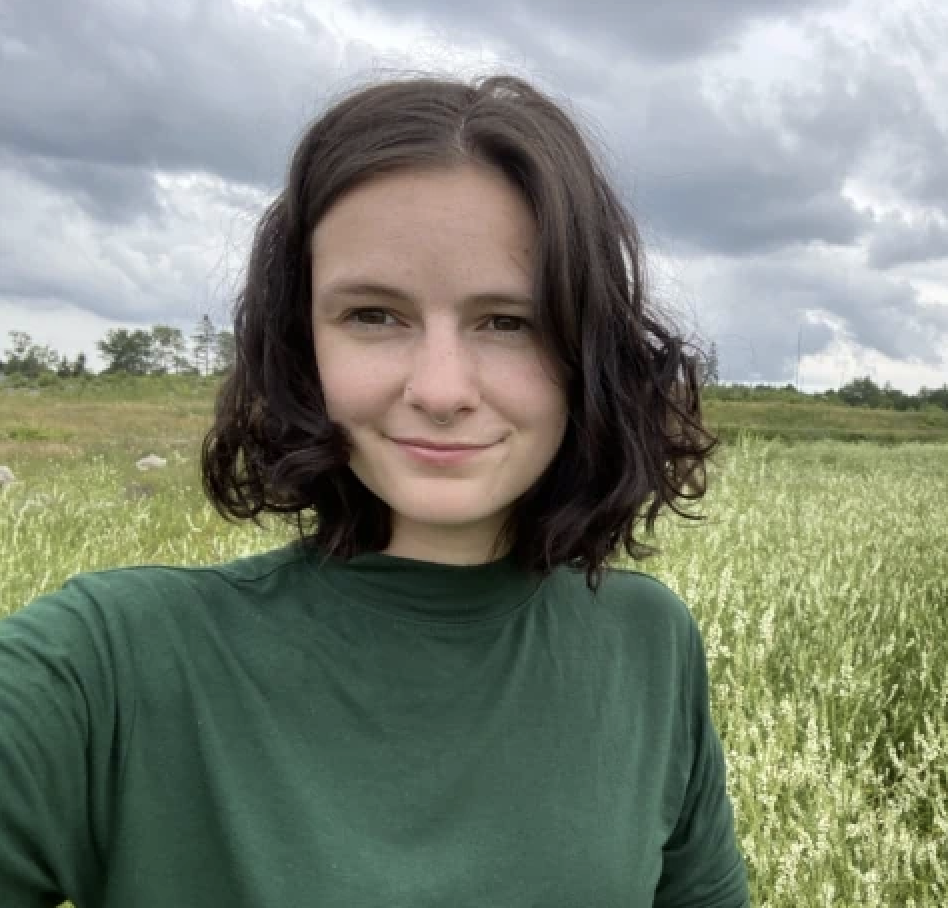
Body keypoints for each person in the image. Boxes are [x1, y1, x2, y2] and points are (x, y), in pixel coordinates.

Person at [0, 73, 749, 907]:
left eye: (509, 322)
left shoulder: (648, 645)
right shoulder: (107, 664)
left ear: (590, 353)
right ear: (302, 343)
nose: (441, 390)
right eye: (373, 315)